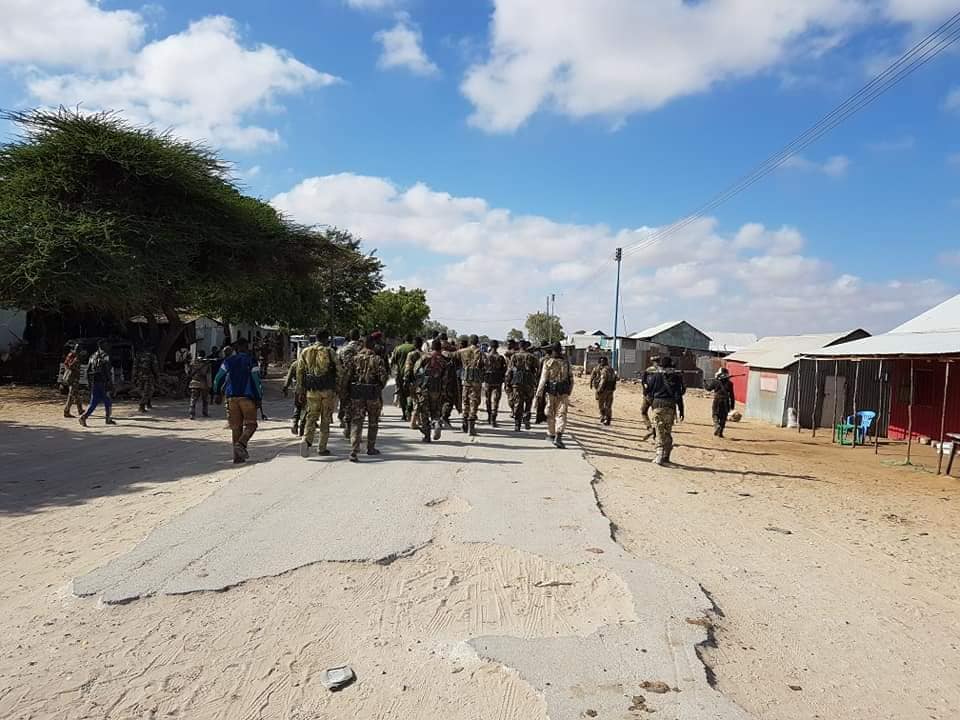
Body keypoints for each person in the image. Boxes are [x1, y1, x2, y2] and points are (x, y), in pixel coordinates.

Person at [212, 337, 262, 463]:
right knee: (251, 425)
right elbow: (256, 380)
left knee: (236, 427)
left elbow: (218, 378)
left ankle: (237, 457)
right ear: (247, 347)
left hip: (231, 398)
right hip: (247, 397)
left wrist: (216, 392)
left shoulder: (228, 361)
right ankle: (241, 443)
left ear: (236, 348)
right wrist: (259, 397)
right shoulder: (251, 360)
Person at [297, 330, 340, 457]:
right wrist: (339, 386)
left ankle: (306, 440)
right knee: (325, 418)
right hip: (327, 390)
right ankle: (322, 448)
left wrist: (300, 390)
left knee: (311, 417)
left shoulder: (305, 351)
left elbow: (300, 372)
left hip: (311, 390)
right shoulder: (330, 351)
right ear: (326, 339)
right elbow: (339, 370)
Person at [345, 335, 388, 462]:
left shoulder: (354, 359)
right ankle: (370, 448)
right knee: (373, 422)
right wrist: (378, 387)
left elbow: (347, 377)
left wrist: (347, 392)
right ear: (373, 345)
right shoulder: (377, 359)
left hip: (357, 394)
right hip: (372, 394)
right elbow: (383, 377)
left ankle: (354, 450)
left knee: (357, 421)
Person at [642, 355, 686, 465]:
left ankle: (659, 454)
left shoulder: (656, 376)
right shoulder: (676, 378)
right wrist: (681, 410)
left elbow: (647, 391)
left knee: (659, 431)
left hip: (658, 406)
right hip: (671, 407)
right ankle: (666, 455)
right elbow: (679, 395)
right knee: (667, 431)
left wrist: (650, 399)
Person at [536, 342, 573, 448]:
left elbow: (543, 379)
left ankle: (551, 434)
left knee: (550, 413)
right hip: (563, 392)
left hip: (551, 391)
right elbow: (571, 379)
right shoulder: (566, 362)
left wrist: (538, 393)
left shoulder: (548, 362)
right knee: (561, 414)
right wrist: (569, 391)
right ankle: (558, 436)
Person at [413, 339, 451, 442]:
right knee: (435, 411)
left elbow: (415, 370)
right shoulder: (443, 360)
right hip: (437, 389)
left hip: (425, 388)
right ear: (440, 348)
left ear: (431, 347)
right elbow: (446, 378)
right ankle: (436, 422)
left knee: (424, 412)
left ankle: (427, 436)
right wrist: (443, 390)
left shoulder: (425, 357)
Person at [79, 340, 116, 427]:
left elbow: (88, 370)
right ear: (102, 346)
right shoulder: (105, 356)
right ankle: (107, 419)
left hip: (94, 382)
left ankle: (84, 417)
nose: (108, 347)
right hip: (103, 382)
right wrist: (110, 383)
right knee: (107, 400)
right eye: (106, 345)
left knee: (94, 402)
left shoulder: (92, 356)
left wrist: (89, 383)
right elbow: (107, 371)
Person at [456, 335, 486, 436]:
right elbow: (485, 365)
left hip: (465, 381)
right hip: (476, 382)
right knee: (474, 402)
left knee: (465, 402)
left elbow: (453, 357)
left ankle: (464, 424)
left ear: (470, 342)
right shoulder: (480, 353)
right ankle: (471, 428)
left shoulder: (462, 351)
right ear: (477, 342)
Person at [507, 340, 539, 431]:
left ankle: (517, 425)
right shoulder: (532, 356)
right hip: (529, 382)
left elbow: (509, 371)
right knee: (528, 402)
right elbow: (538, 368)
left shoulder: (514, 356)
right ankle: (526, 419)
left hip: (517, 382)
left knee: (518, 403)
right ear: (526, 347)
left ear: (519, 346)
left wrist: (508, 383)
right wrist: (535, 379)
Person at [337, 329, 363, 438]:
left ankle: (347, 428)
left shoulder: (342, 349)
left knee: (346, 404)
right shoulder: (362, 349)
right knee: (359, 407)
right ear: (358, 336)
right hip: (360, 381)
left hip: (345, 381)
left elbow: (338, 365)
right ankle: (356, 433)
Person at [390, 335, 416, 422]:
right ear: (411, 340)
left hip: (400, 375)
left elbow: (393, 361)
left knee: (402, 394)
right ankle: (409, 410)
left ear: (404, 340)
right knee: (411, 394)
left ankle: (404, 414)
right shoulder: (414, 348)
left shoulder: (398, 348)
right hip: (412, 375)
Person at [401, 337, 425, 428]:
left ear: (414, 345)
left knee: (415, 401)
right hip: (422, 381)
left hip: (413, 380)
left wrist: (406, 380)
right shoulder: (425, 354)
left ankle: (414, 421)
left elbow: (408, 368)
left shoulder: (411, 354)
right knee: (420, 400)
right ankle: (418, 420)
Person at [483, 340, 508, 427]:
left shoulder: (486, 357)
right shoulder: (500, 358)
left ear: (490, 346)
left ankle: (489, 416)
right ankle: (493, 418)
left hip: (488, 380)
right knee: (496, 400)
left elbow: (482, 368)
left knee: (488, 399)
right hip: (497, 381)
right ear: (497, 347)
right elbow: (504, 369)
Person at [706, 367, 736, 438]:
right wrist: (732, 405)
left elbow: (708, 389)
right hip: (726, 401)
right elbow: (732, 395)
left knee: (715, 414)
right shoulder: (730, 383)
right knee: (723, 417)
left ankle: (717, 426)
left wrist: (705, 383)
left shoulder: (715, 382)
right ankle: (720, 432)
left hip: (717, 400)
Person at [589, 355, 617, 425]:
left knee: (601, 404)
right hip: (610, 389)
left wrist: (599, 389)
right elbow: (615, 379)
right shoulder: (611, 369)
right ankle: (608, 419)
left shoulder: (603, 370)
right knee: (608, 405)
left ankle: (603, 416)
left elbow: (602, 380)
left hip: (603, 389)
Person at [282, 357, 306, 436]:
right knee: (305, 409)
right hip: (307, 390)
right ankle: (302, 428)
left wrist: (285, 387)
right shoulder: (310, 363)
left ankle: (294, 424)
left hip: (297, 389)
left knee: (297, 407)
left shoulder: (295, 364)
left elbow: (289, 377)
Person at [638, 357, 660, 440]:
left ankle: (650, 428)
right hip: (658, 396)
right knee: (656, 414)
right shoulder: (663, 371)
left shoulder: (648, 370)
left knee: (643, 411)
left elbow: (643, 382)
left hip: (648, 395)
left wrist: (645, 392)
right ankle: (655, 430)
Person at [134, 345, 160, 413]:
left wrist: (134, 376)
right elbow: (155, 367)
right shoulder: (152, 356)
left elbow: (134, 367)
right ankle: (141, 405)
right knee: (149, 390)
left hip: (140, 376)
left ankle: (148, 403)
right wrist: (157, 376)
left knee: (143, 390)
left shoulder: (138, 355)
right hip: (148, 376)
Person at [62, 343, 86, 418]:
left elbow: (66, 364)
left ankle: (80, 409)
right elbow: (71, 366)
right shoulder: (75, 356)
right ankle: (66, 411)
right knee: (71, 395)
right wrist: (75, 362)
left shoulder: (71, 354)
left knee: (76, 394)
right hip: (73, 378)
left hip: (72, 377)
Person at [187, 349, 212, 419]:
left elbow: (188, 372)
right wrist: (210, 385)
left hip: (194, 382)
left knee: (193, 399)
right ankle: (205, 412)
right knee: (205, 399)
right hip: (204, 383)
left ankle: (192, 414)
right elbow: (208, 375)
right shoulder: (207, 363)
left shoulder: (193, 362)